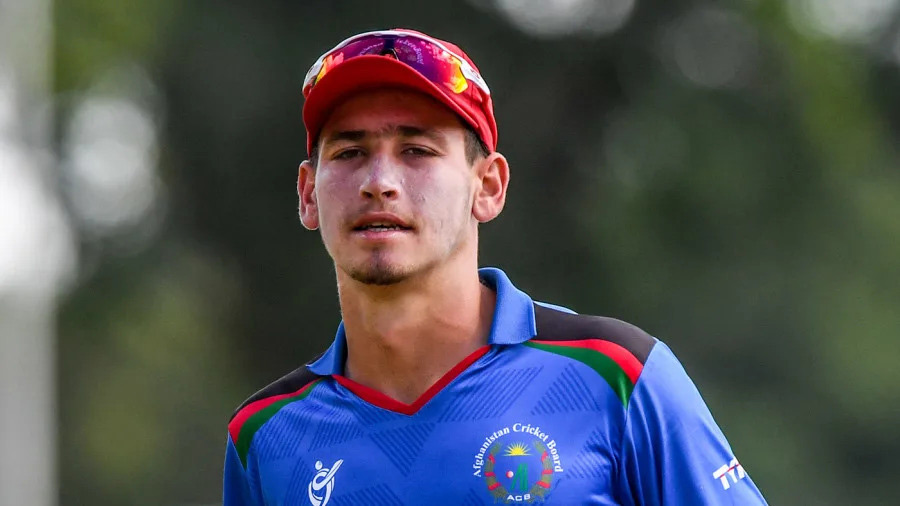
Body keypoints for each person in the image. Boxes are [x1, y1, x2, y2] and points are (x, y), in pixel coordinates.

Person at [223, 28, 767, 505]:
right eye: (349, 153)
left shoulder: (615, 375)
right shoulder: (265, 437)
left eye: (416, 150)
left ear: (488, 187)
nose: (379, 182)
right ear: (308, 195)